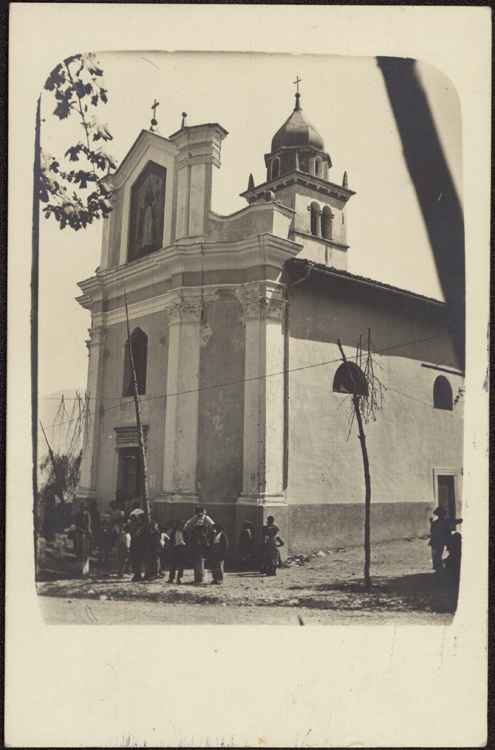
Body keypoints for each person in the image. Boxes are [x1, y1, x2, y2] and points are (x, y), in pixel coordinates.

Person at [184, 505, 215, 583]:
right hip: (195, 540)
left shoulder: (206, 518)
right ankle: (197, 576)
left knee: (202, 558)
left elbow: (213, 527)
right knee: (196, 557)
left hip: (204, 540)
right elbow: (188, 524)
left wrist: (211, 536)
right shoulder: (195, 518)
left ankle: (202, 576)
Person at [73, 502, 93, 577]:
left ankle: (91, 550)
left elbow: (88, 523)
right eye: (82, 508)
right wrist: (80, 530)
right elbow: (76, 524)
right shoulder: (78, 515)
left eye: (85, 508)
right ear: (80, 508)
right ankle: (75, 550)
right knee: (76, 538)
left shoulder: (87, 514)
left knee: (91, 538)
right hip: (80, 530)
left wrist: (86, 529)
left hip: (86, 529)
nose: (83, 509)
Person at [428, 507, 450, 573]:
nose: (440, 516)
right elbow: (432, 531)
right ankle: (437, 566)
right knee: (435, 553)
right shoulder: (435, 523)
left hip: (441, 539)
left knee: (438, 553)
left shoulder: (445, 522)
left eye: (441, 514)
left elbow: (447, 532)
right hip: (436, 539)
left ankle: (439, 566)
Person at [168, 519, 187, 584]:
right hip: (175, 549)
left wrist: (184, 544)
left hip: (182, 549)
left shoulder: (184, 532)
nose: (182, 527)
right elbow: (171, 541)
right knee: (173, 564)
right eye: (181, 525)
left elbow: (187, 541)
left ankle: (179, 578)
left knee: (181, 565)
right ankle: (171, 578)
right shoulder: (173, 532)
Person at [129, 514, 146, 581]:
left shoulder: (140, 528)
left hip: (138, 546)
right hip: (133, 546)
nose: (133, 521)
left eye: (134, 520)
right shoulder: (132, 527)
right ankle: (136, 574)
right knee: (134, 561)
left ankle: (138, 574)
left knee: (137, 561)